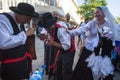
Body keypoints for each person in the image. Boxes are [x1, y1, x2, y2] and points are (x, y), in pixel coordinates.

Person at [68, 6, 115, 80]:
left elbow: (111, 38)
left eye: (97, 12)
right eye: (94, 13)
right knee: (84, 70)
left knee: (101, 72)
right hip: (89, 50)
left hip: (102, 51)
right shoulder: (92, 23)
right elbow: (80, 30)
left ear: (104, 13)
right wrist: (69, 32)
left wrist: (106, 36)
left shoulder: (108, 25)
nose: (95, 14)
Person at [0, 2, 39, 80]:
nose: (28, 21)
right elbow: (4, 43)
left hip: (22, 63)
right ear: (18, 14)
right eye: (27, 18)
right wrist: (25, 34)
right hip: (11, 67)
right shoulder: (3, 21)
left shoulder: (20, 21)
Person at [40, 12, 75, 80]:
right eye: (46, 28)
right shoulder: (51, 29)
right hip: (61, 50)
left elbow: (67, 46)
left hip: (69, 51)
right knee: (58, 66)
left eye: (49, 27)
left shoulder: (60, 30)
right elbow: (52, 38)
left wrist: (53, 43)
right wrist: (48, 40)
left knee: (66, 70)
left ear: (53, 24)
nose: (48, 30)